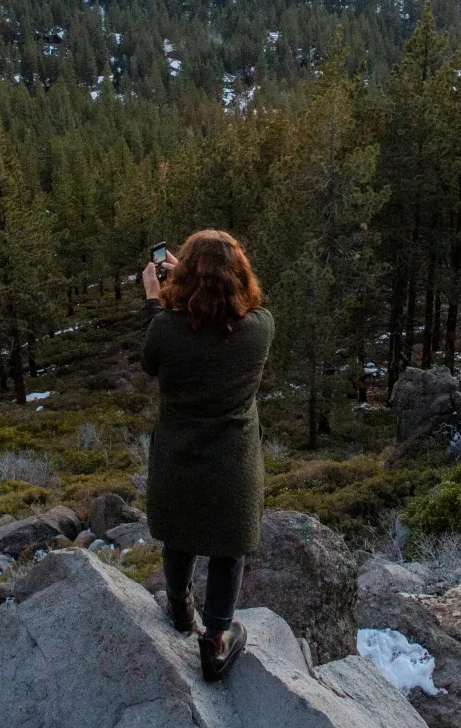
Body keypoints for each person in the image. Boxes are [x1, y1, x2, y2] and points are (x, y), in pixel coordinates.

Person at [139, 229, 274, 683]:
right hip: (233, 466)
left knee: (180, 535)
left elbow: (150, 360)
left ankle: (179, 606)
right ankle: (216, 640)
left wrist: (156, 299)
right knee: (228, 547)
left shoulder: (166, 329)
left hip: (178, 458)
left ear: (189, 279)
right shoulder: (261, 330)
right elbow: (225, 320)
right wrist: (198, 282)